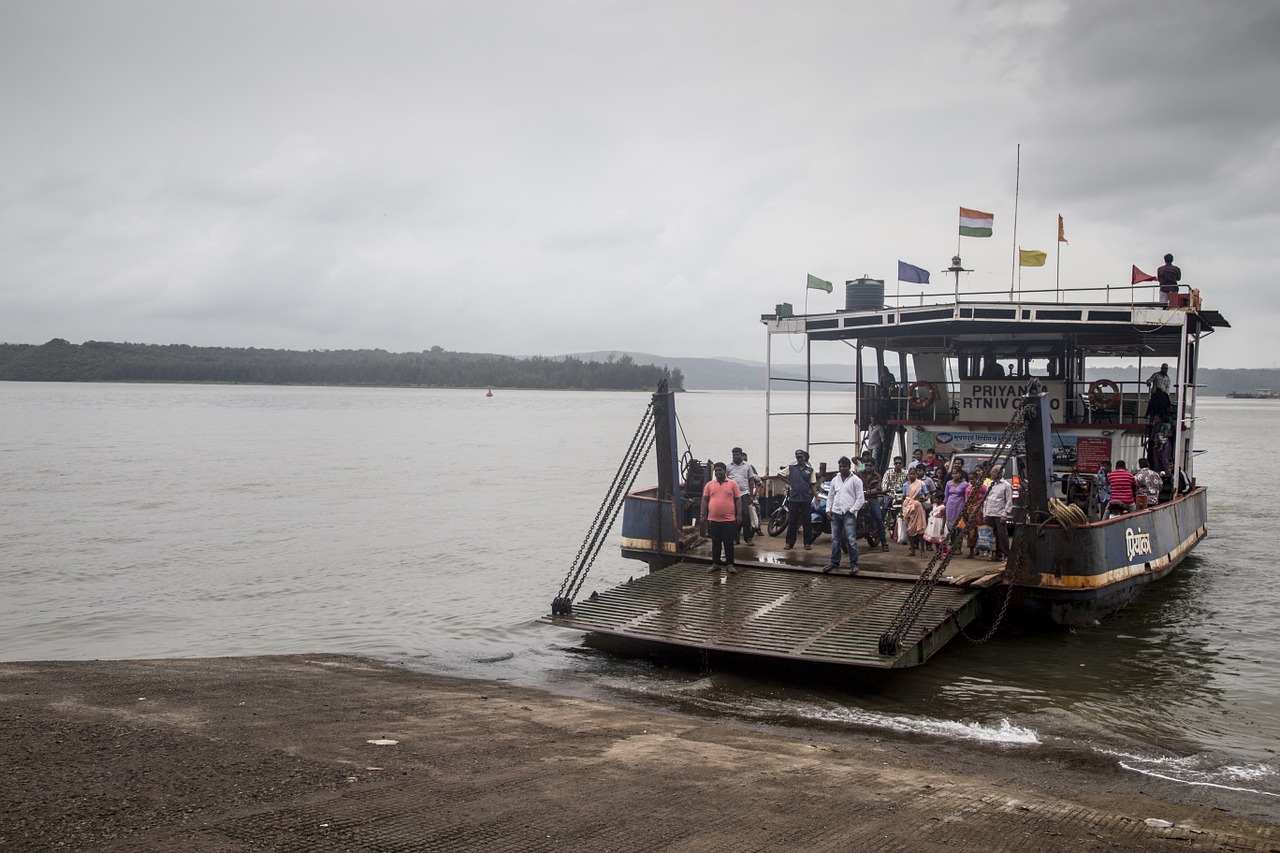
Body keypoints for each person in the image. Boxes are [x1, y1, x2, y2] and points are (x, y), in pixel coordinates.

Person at [824, 457, 865, 574]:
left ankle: (854, 564)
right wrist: (828, 510)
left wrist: (852, 510)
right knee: (835, 540)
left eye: (844, 466)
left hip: (848, 513)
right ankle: (834, 563)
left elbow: (860, 499)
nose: (842, 469)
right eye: (840, 466)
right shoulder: (835, 480)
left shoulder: (856, 480)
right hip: (836, 512)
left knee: (851, 540)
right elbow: (830, 496)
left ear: (849, 467)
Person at [700, 462, 740, 572]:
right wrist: (703, 515)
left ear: (725, 471)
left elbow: (738, 500)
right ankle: (715, 564)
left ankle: (730, 564)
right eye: (716, 471)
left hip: (729, 519)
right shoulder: (709, 485)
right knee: (715, 542)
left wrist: (739, 515)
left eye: (720, 470)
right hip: (713, 519)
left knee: (728, 542)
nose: (718, 472)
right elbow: (704, 500)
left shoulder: (733, 484)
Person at [726, 447, 761, 546]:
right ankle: (735, 538)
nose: (735, 456)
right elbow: (725, 480)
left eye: (737, 454)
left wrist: (751, 495)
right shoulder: (728, 466)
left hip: (744, 494)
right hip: (731, 495)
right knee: (733, 516)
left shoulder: (747, 466)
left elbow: (751, 480)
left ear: (741, 455)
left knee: (745, 515)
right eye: (734, 455)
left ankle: (748, 538)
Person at [785, 449, 817, 551]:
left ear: (804, 458)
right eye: (797, 457)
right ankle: (789, 543)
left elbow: (813, 484)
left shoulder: (810, 470)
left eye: (800, 457)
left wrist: (816, 496)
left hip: (806, 498)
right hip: (794, 498)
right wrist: (789, 482)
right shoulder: (791, 468)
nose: (799, 459)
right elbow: (780, 474)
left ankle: (807, 543)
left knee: (807, 521)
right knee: (792, 521)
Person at [982, 464, 1013, 562]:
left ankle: (1006, 554)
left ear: (1000, 473)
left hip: (999, 513)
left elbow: (1009, 501)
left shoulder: (1006, 485)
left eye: (994, 472)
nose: (992, 473)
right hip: (989, 512)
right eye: (992, 471)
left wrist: (1005, 514)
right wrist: (984, 513)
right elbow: (986, 499)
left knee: (1002, 534)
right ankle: (995, 554)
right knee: (991, 534)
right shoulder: (990, 484)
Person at [859, 458, 888, 552]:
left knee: (878, 517)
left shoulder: (877, 476)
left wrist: (872, 491)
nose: (868, 467)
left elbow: (879, 487)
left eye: (870, 465)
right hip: (860, 498)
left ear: (874, 466)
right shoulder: (859, 474)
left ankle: (884, 542)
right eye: (866, 465)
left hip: (872, 499)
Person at [901, 467, 929, 556]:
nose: (912, 475)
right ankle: (912, 550)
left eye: (913, 474)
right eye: (910, 474)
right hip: (908, 507)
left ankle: (922, 551)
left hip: (918, 507)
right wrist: (903, 508)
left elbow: (927, 494)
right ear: (908, 475)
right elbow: (903, 496)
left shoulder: (921, 484)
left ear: (916, 475)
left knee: (920, 528)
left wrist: (925, 498)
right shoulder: (905, 485)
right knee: (909, 529)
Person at [964, 464, 989, 558]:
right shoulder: (968, 488)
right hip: (971, 511)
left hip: (980, 510)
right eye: (970, 479)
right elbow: (967, 500)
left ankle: (981, 549)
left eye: (973, 479)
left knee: (981, 530)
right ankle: (971, 550)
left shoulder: (982, 486)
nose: (971, 481)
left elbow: (987, 495)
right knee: (971, 531)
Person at [944, 466, 971, 538]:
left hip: (960, 505)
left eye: (956, 473)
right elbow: (946, 495)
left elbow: (966, 496)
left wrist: (966, 506)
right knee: (950, 524)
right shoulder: (948, 483)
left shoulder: (965, 484)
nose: (954, 475)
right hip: (950, 505)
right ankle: (952, 540)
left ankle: (958, 543)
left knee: (959, 524)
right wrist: (944, 504)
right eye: (953, 473)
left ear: (960, 474)